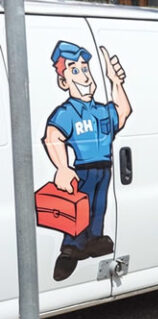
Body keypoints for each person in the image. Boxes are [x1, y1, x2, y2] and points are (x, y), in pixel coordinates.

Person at [42, 41, 131, 281]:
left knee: (98, 207)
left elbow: (122, 113)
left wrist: (116, 81)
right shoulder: (67, 112)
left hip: (105, 168)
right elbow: (53, 135)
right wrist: (62, 167)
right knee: (79, 208)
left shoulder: (100, 110)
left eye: (85, 69)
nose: (84, 76)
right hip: (82, 170)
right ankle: (71, 248)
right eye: (75, 70)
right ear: (64, 81)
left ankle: (92, 240)